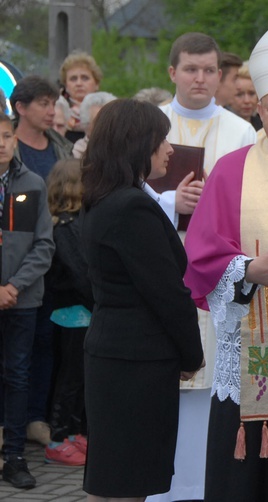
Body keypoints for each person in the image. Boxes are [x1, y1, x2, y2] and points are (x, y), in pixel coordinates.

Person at [183, 21, 268, 501]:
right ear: (258, 108)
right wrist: (248, 270)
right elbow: (200, 253)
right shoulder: (230, 170)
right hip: (251, 335)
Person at [80, 99, 204, 500]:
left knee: (112, 475)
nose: (170, 149)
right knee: (129, 480)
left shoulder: (104, 197)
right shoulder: (132, 206)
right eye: (161, 140)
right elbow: (167, 293)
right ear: (138, 144)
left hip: (114, 353)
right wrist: (191, 355)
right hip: (138, 360)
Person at [153, 31, 256, 502]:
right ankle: (161, 488)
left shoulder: (240, 130)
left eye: (210, 70)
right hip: (158, 264)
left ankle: (200, 487)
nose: (200, 78)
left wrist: (213, 201)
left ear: (221, 75)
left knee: (211, 378)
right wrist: (172, 201)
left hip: (214, 273)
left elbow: (251, 202)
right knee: (163, 383)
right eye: (191, 69)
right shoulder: (151, 123)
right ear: (172, 72)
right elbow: (123, 191)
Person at [9, 75, 72, 448]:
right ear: (21, 107)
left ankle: (36, 417)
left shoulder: (61, 147)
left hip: (57, 258)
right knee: (16, 346)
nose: (52, 111)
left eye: (54, 104)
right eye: (44, 104)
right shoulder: (7, 147)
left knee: (47, 340)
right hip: (17, 258)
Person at [0, 112, 54, 489]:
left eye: (6, 136)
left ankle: (14, 455)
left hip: (22, 299)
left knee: (18, 375)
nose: (2, 143)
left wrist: (13, 285)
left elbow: (44, 244)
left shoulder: (32, 183)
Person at [43, 158, 93, 467]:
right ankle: (57, 439)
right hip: (73, 312)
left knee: (81, 376)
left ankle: (76, 432)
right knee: (70, 378)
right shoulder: (66, 226)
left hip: (80, 310)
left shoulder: (75, 222)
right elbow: (78, 272)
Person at [58, 52, 103, 143]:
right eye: (73, 79)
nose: (79, 83)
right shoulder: (57, 112)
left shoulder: (108, 110)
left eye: (85, 78)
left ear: (96, 83)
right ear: (66, 85)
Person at [72, 91, 117, 159]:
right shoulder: (78, 153)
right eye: (99, 121)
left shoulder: (129, 146)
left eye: (110, 120)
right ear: (86, 124)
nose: (106, 126)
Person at [232, 63, 262, 131]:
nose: (247, 101)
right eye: (239, 94)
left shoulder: (264, 125)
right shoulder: (219, 127)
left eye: (251, 94)